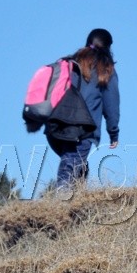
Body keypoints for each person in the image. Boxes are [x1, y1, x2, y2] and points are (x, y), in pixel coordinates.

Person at [49, 28, 121, 189]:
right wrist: (114, 133)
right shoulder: (105, 69)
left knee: (76, 163)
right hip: (83, 127)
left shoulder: (68, 62)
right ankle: (62, 199)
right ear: (108, 47)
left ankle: (77, 195)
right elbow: (111, 104)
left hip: (56, 124)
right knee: (71, 163)